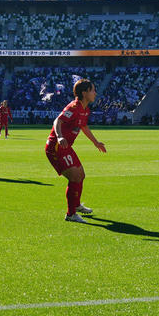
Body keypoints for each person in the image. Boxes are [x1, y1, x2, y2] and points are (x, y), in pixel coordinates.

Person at [45, 78, 106, 222]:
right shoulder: (74, 106)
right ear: (84, 93)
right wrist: (59, 136)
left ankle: (76, 205)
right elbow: (58, 121)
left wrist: (96, 143)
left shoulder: (85, 109)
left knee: (81, 175)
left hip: (66, 148)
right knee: (75, 177)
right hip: (56, 147)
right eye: (92, 90)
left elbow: (84, 127)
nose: (95, 93)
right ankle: (71, 214)